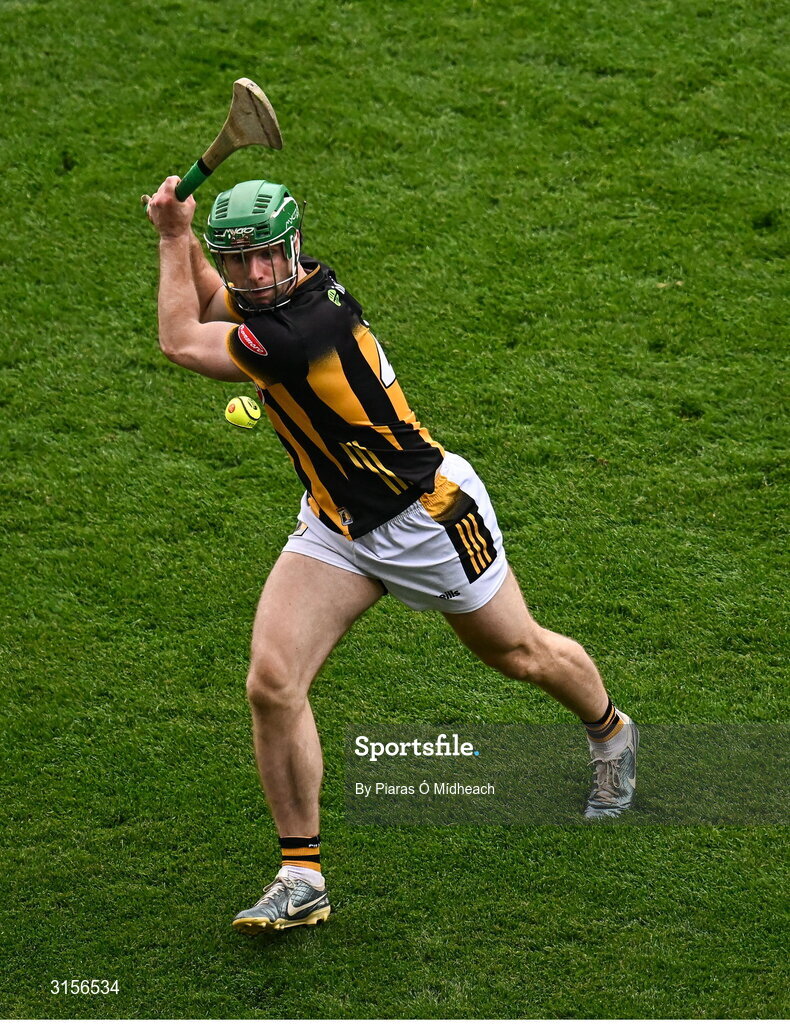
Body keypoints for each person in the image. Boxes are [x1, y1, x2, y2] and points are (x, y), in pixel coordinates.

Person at [144, 175, 639, 934]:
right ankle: (300, 875)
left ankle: (611, 732)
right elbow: (217, 301)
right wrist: (195, 244)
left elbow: (183, 338)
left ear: (294, 248)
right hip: (337, 521)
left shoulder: (297, 329)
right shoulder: (283, 296)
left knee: (521, 654)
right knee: (273, 683)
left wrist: (173, 237)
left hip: (425, 518)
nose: (249, 276)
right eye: (236, 260)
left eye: (262, 258)